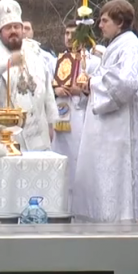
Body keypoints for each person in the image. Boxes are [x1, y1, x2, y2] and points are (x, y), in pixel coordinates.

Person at [72, 0, 138, 222]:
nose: (100, 26)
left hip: (121, 132)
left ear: (119, 22)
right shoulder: (118, 45)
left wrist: (92, 84)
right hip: (111, 128)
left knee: (119, 181)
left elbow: (126, 84)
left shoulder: (130, 46)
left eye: (104, 20)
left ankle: (120, 220)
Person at [0, 0, 58, 151]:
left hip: (37, 133)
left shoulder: (35, 55)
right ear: (0, 32)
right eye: (8, 28)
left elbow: (48, 92)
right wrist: (7, 63)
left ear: (23, 30)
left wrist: (52, 124)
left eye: (17, 27)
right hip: (3, 135)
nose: (13, 31)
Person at [52, 21, 101, 189]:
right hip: (60, 116)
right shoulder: (56, 61)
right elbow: (47, 86)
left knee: (78, 160)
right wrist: (56, 89)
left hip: (82, 116)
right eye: (66, 33)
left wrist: (81, 91)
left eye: (73, 33)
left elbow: (100, 89)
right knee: (60, 158)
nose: (69, 37)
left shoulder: (93, 61)